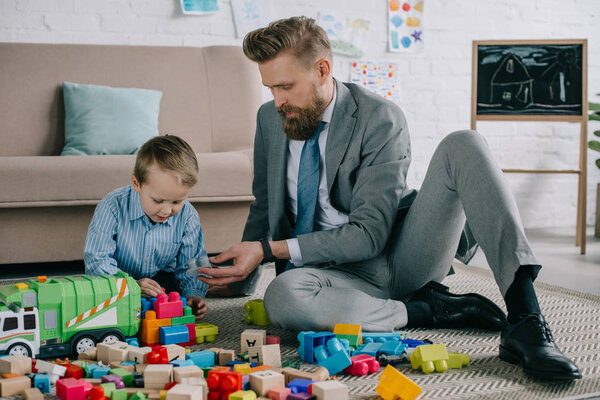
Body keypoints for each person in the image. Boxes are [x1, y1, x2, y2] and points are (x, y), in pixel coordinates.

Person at [194, 16, 581, 380]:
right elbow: (265, 204)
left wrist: (268, 250)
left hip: (398, 256)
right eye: (270, 88)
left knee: (465, 144)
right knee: (282, 298)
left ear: (322, 70)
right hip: (331, 277)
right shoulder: (269, 119)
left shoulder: (380, 117)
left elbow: (369, 236)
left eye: (285, 86)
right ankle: (428, 310)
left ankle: (527, 320)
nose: (277, 100)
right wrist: (241, 277)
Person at [84, 135, 208, 320]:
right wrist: (132, 286)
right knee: (96, 303)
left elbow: (193, 263)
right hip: (117, 281)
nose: (167, 210)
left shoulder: (188, 215)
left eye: (177, 201)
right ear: (137, 184)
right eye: (158, 200)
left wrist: (194, 294)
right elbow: (97, 260)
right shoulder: (112, 206)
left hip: (160, 281)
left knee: (172, 301)